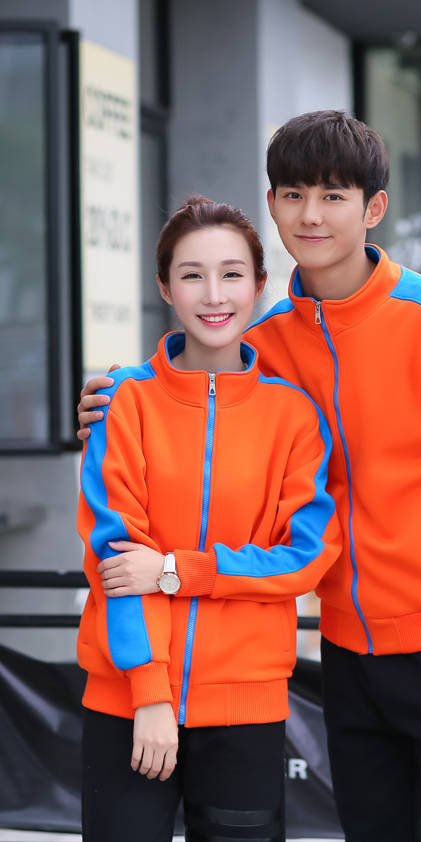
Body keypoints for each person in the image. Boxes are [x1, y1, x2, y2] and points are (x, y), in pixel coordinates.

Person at [78, 111, 421, 842]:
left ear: (373, 208)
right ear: (272, 205)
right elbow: (196, 381)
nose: (311, 215)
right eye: (293, 195)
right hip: (349, 656)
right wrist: (111, 402)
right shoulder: (266, 344)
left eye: (332, 195)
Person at [76, 194, 341, 842]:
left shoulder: (294, 416)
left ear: (258, 285)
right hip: (127, 705)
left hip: (245, 708)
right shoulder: (123, 402)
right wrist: (150, 694)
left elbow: (304, 558)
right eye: (192, 275)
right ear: (166, 288)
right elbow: (115, 559)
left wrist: (175, 570)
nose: (214, 294)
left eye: (231, 274)